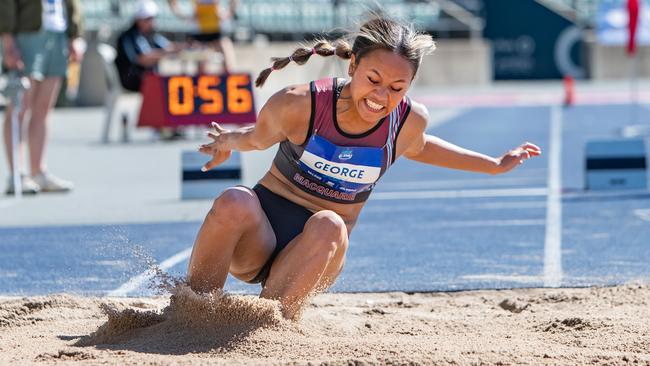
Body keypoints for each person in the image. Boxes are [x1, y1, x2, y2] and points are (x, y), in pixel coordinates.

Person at [188, 16, 542, 320]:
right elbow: (256, 138)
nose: (381, 97)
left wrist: (494, 165)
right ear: (353, 65)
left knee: (328, 223)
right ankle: (191, 312)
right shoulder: (299, 104)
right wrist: (225, 143)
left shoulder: (407, 123)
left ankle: (268, 327)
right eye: (373, 80)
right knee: (234, 199)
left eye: (396, 88)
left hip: (320, 251)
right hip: (258, 240)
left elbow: (422, 148)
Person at [1, 0, 82, 195]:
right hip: (28, 32)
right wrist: (7, 39)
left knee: (43, 108)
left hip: (57, 31)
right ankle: (17, 175)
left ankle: (38, 172)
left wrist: (74, 35)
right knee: (20, 106)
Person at [115, 0, 177, 92]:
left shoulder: (151, 34)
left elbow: (169, 46)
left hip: (149, 77)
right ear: (138, 19)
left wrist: (186, 46)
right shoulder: (127, 37)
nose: (151, 22)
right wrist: (164, 54)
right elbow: (141, 59)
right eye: (148, 19)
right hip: (132, 80)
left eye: (152, 18)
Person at [167, 0, 238, 72]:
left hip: (217, 30)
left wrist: (229, 12)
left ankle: (225, 81)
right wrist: (183, 15)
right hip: (198, 32)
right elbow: (172, 2)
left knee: (228, 63)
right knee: (201, 66)